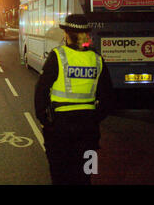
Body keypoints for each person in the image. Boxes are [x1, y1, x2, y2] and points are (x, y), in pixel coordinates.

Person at [34, 14, 113, 185]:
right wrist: (94, 118)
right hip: (89, 129)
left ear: (67, 34)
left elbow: (41, 90)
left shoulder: (58, 55)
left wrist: (45, 121)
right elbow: (107, 98)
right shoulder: (97, 59)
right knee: (86, 174)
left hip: (60, 128)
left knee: (60, 174)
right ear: (86, 35)